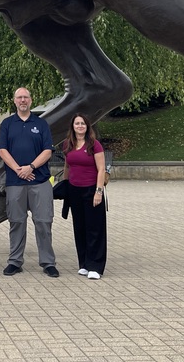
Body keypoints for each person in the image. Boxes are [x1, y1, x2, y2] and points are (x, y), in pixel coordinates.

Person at [0, 87, 58, 278]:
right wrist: (18, 169)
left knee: (43, 222)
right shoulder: (7, 124)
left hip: (39, 181)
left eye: (26, 97)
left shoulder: (41, 124)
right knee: (16, 222)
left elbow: (47, 151)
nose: (22, 100)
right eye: (19, 97)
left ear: (31, 100)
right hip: (15, 182)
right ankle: (15, 262)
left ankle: (48, 262)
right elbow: (2, 150)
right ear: (14, 101)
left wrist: (30, 167)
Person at [63, 113, 107, 279]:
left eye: (83, 123)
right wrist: (65, 185)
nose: (80, 126)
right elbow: (67, 166)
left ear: (88, 126)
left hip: (91, 190)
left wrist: (98, 191)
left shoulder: (94, 145)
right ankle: (84, 263)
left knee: (94, 228)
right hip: (75, 190)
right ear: (72, 126)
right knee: (79, 227)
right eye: (77, 123)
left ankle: (96, 266)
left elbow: (101, 169)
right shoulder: (68, 144)